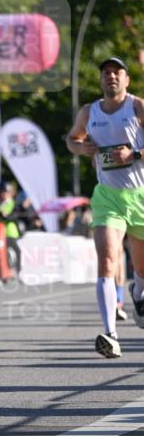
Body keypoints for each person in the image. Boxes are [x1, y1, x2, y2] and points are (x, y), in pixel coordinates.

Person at [66, 56, 144, 358]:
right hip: (107, 197)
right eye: (106, 73)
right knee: (107, 259)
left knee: (141, 268)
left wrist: (134, 154)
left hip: (139, 196)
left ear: (126, 79)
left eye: (117, 72)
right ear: (101, 80)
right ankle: (110, 334)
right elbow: (72, 139)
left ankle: (138, 293)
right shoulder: (89, 111)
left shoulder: (137, 107)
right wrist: (80, 147)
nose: (111, 76)